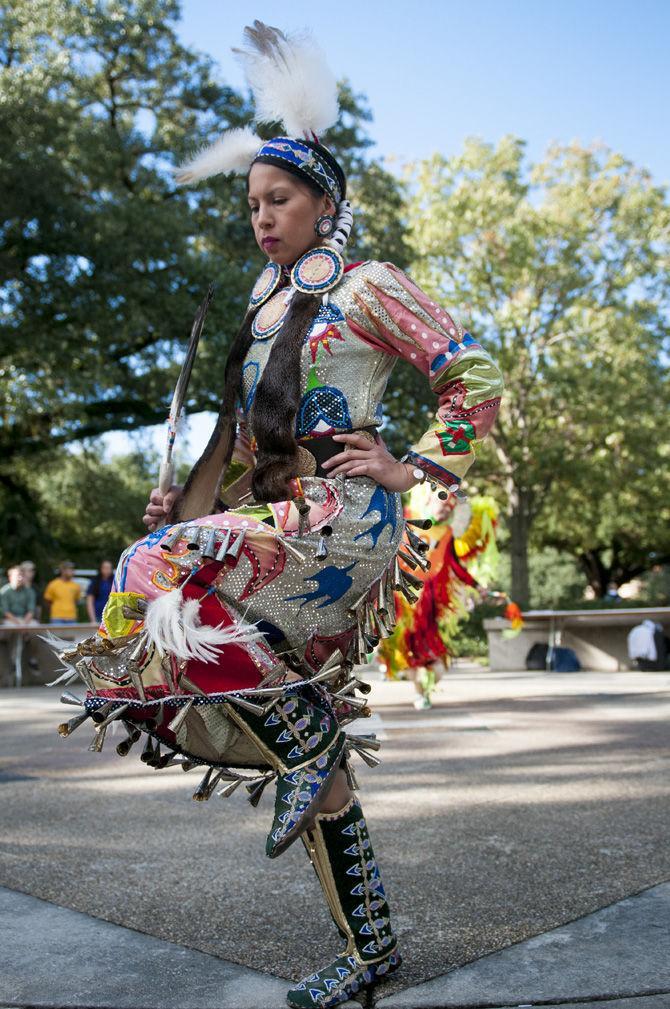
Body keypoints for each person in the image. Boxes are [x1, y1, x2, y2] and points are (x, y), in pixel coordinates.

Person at [53, 23, 503, 1009]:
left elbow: (474, 373)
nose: (261, 217)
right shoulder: (266, 316)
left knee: (144, 576)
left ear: (325, 204)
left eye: (280, 199)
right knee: (178, 603)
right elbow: (252, 454)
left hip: (345, 524)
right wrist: (190, 512)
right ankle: (367, 944)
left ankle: (304, 737)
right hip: (288, 524)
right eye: (251, 203)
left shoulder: (368, 287)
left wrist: (410, 462)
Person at [0, 565, 38, 684]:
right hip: (11, 620)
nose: (20, 578)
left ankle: (32, 658)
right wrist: (20, 626)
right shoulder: (4, 592)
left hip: (25, 620)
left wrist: (24, 624)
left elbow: (31, 611)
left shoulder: (29, 591)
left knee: (37, 630)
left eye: (22, 575)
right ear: (10, 577)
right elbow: (5, 612)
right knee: (9, 630)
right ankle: (11, 664)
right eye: (18, 575)